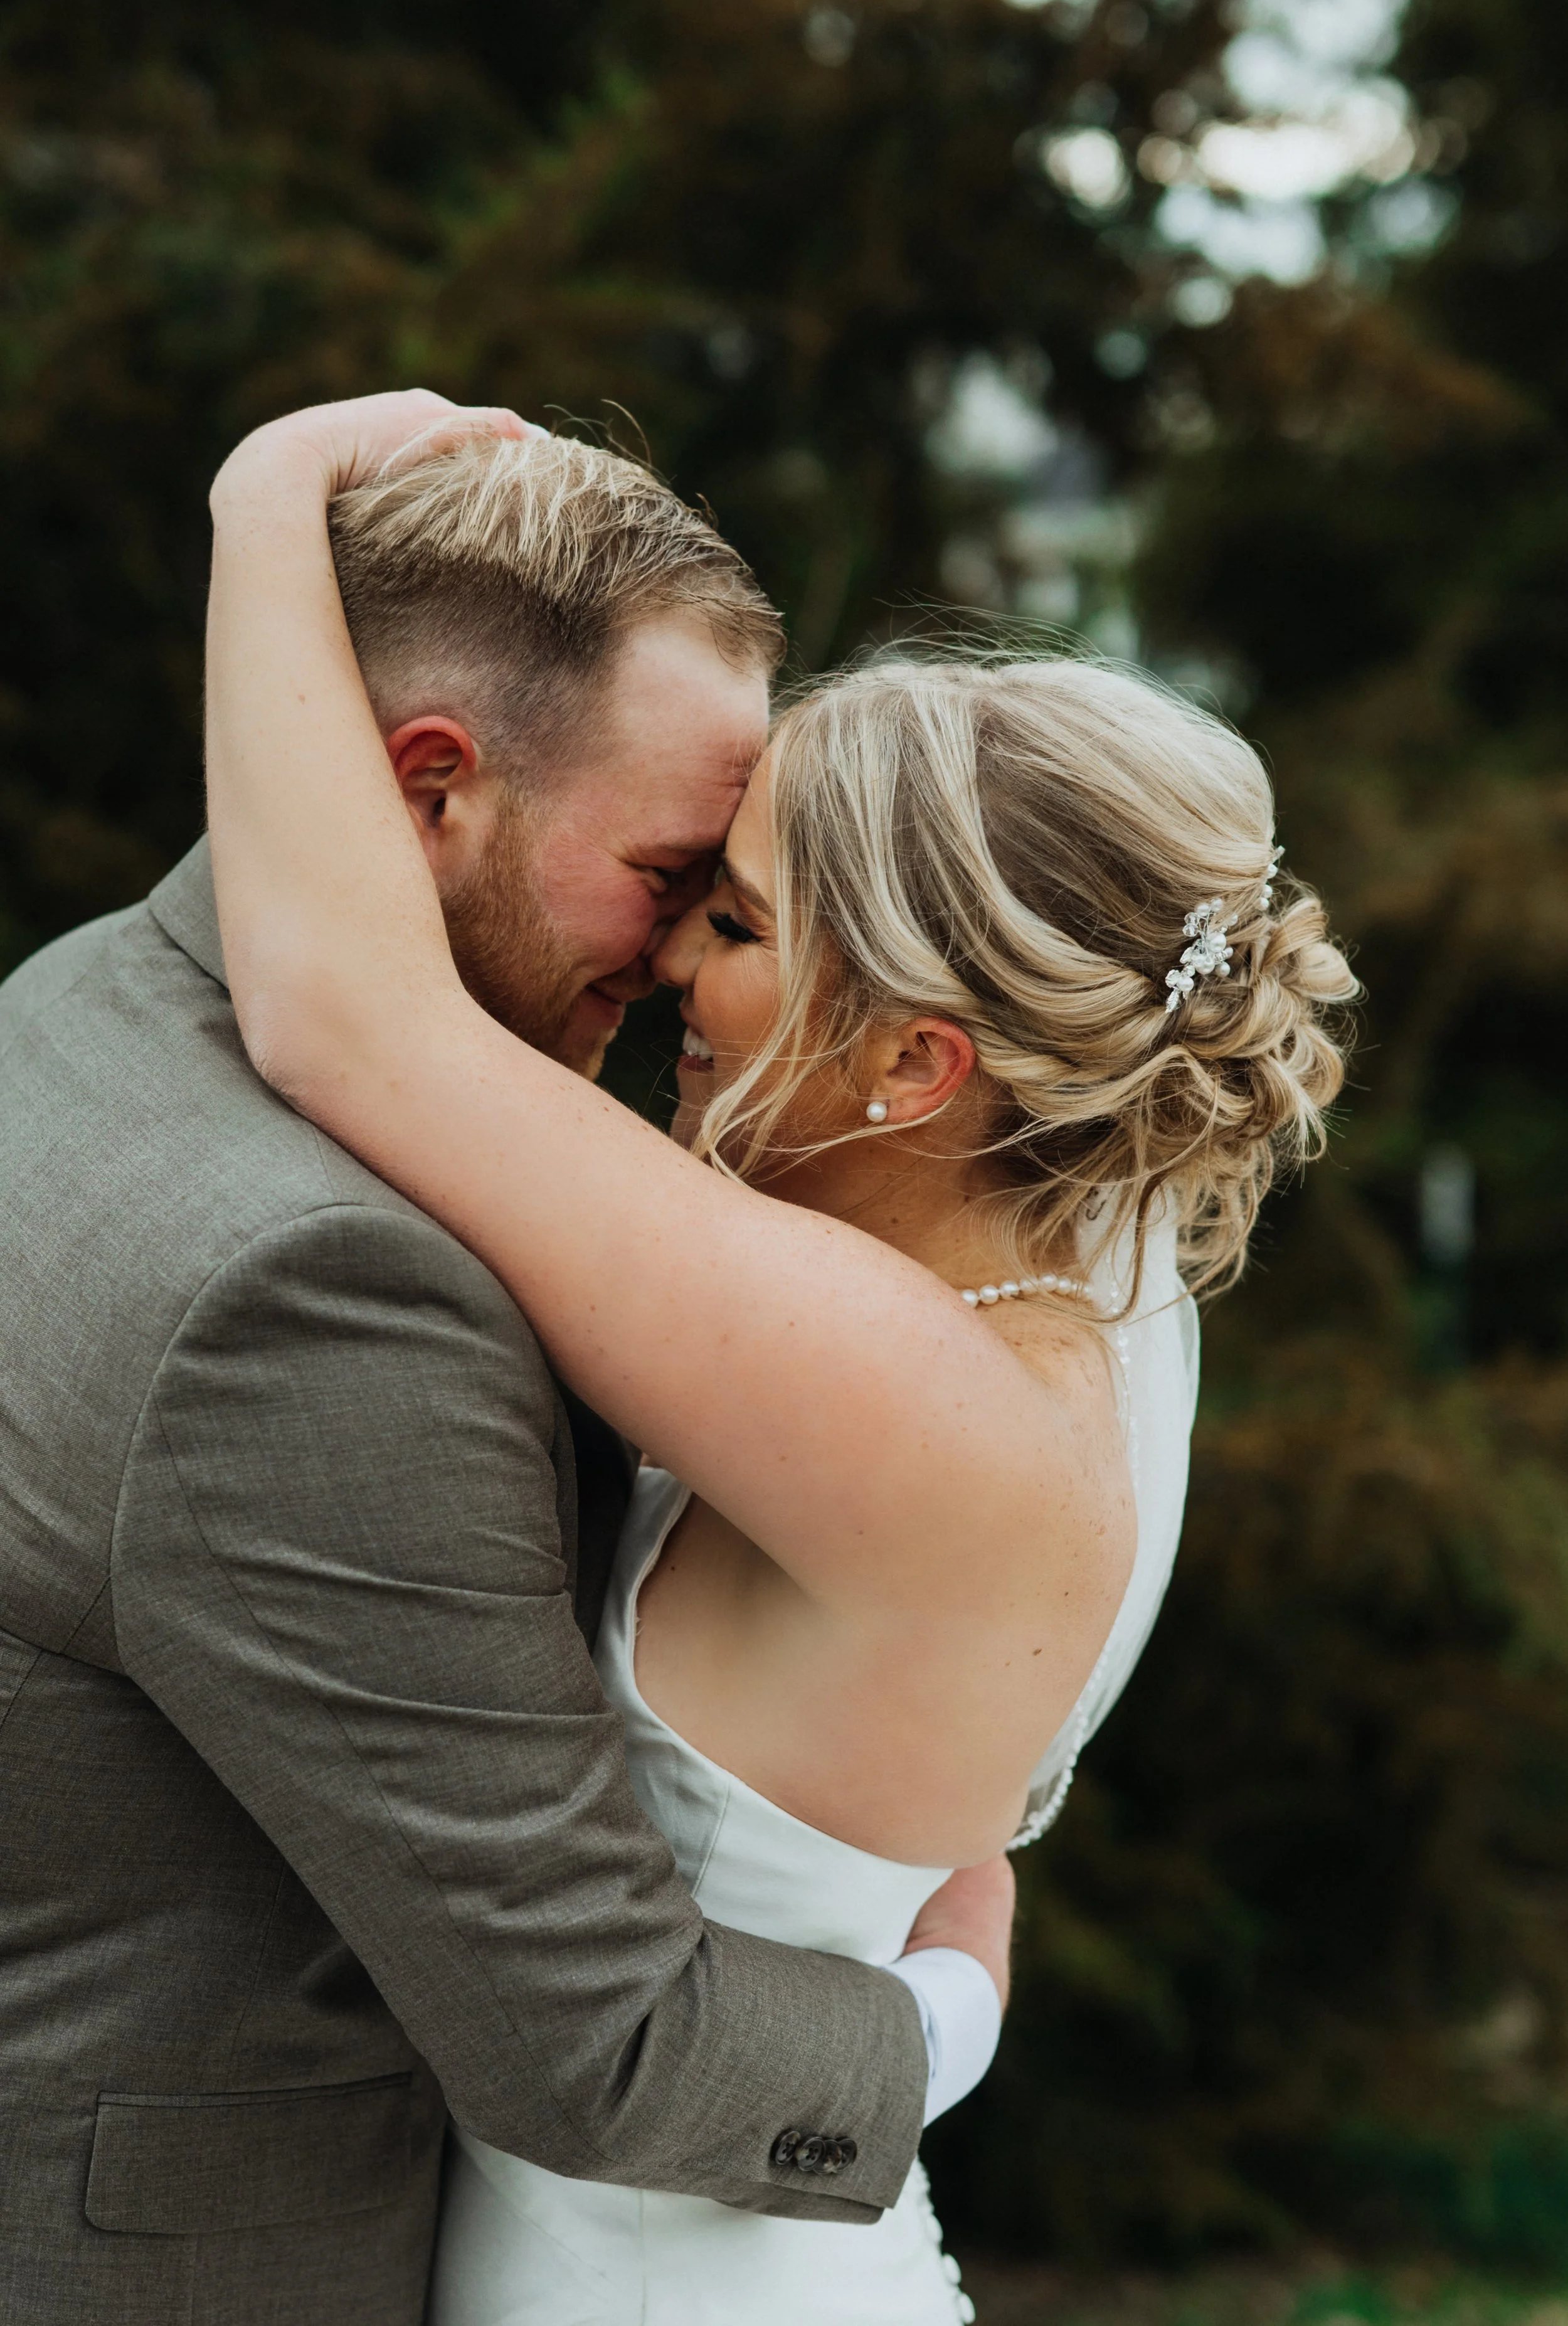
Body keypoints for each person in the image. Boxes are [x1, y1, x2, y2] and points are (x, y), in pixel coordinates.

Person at [201, 390, 1358, 2326]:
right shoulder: (1010, 1333)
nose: (670, 971)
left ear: (915, 1061)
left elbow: (342, 1021)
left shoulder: (900, 1388)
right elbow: (958, 1867)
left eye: (735, 922)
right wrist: (946, 2006)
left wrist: (262, 500)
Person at [0, 405, 1013, 2326]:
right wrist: (950, 1994)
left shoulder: (87, 996)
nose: (701, 955)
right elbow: (601, 2042)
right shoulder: (312, 1284)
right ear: (431, 786)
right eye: (670, 872)